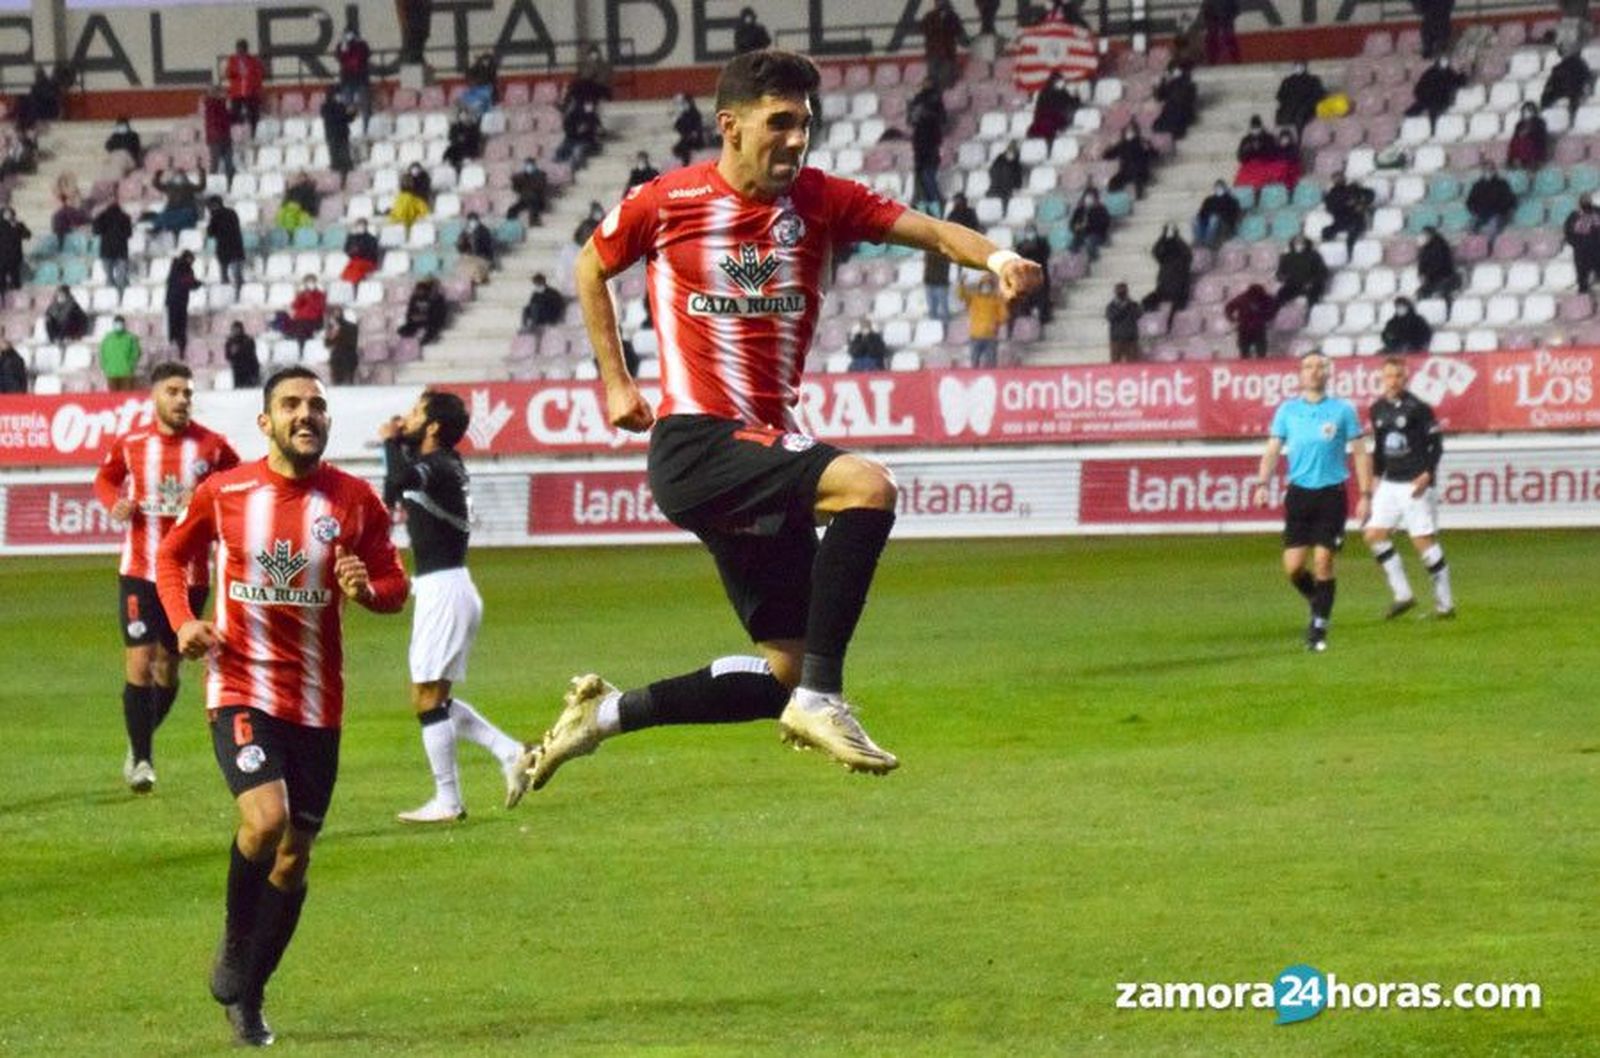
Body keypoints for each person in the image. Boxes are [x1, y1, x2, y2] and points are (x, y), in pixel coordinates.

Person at [514, 48, 1042, 791]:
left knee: (783, 672)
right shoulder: (665, 202)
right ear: (730, 126)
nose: (797, 139)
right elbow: (590, 265)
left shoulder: (823, 200)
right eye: (781, 122)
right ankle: (826, 700)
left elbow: (930, 230)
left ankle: (600, 717)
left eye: (806, 124)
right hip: (697, 441)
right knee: (867, 487)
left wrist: (999, 259)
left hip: (758, 445)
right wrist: (616, 382)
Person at [156, 365, 408, 1047]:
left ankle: (253, 992)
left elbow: (394, 584)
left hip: (318, 705)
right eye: (291, 404)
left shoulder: (354, 501)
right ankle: (236, 942)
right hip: (240, 685)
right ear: (265, 422)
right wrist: (182, 622)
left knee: (294, 858)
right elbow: (171, 558)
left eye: (317, 405)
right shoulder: (225, 491)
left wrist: (368, 590)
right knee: (264, 821)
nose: (307, 414)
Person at [377, 392, 530, 822]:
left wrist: (390, 442)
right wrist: (401, 441)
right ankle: (510, 752)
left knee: (426, 698)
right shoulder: (444, 464)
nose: (405, 416)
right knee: (432, 698)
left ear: (433, 427)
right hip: (444, 588)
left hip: (445, 590)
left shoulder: (438, 466)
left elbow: (395, 486)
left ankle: (448, 800)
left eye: (415, 412)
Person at [94, 361, 241, 792]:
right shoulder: (133, 443)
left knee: (169, 671)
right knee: (140, 663)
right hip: (140, 570)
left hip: (190, 576)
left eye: (187, 393)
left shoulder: (212, 447)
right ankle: (142, 759)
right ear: (154, 396)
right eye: (173, 391)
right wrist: (114, 502)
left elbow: (237, 485)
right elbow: (105, 479)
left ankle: (138, 738)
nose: (181, 399)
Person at [1252, 352, 1373, 652]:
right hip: (1299, 494)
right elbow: (1272, 449)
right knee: (1293, 568)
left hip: (1331, 494)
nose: (1314, 371)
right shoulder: (1288, 411)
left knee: (1323, 560)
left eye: (1320, 366)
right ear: (1300, 374)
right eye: (1308, 366)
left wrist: (1366, 494)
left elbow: (1359, 452)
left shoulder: (1342, 411)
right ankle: (1317, 600)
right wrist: (1262, 483)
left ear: (1328, 373)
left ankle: (1318, 629)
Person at [1365, 356, 1454, 619]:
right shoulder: (1377, 409)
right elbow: (1379, 449)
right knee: (1373, 535)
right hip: (1390, 483)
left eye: (1398, 376)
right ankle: (1403, 595)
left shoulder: (1419, 408)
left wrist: (1427, 474)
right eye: (1389, 376)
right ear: (1382, 378)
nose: (1393, 381)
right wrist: (1374, 483)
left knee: (1422, 542)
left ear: (1406, 379)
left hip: (1414, 482)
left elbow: (1436, 445)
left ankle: (1445, 605)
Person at [1141, 225, 1192, 326]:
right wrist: (1163, 235)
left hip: (1179, 293)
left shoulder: (1184, 260)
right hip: (1162, 291)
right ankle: (1150, 323)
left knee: (1174, 313)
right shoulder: (1164, 260)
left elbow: (1187, 252)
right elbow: (1155, 251)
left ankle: (1168, 325)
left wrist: (1178, 237)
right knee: (1146, 301)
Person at [1405, 56, 1466, 134]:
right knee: (1412, 111)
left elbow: (1459, 82)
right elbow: (1418, 88)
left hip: (1442, 100)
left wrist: (1462, 73)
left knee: (1433, 111)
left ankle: (1433, 131)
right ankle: (1408, 128)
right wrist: (1424, 96)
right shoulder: (1430, 73)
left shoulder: (1450, 73)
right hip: (1427, 99)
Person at [910, 80, 946, 211]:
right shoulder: (917, 100)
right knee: (920, 179)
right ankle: (924, 206)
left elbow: (942, 119)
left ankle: (935, 206)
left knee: (928, 177)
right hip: (920, 147)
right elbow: (910, 120)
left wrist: (929, 114)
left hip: (930, 146)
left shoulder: (936, 99)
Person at [959, 272, 1008, 367]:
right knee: (974, 364)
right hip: (975, 336)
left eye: (988, 285)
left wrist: (995, 323)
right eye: (984, 285)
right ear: (980, 286)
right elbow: (962, 295)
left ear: (992, 287)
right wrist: (961, 283)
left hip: (990, 336)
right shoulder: (973, 298)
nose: (986, 287)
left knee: (991, 364)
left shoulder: (997, 300)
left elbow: (1004, 315)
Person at [1319, 172, 1374, 253]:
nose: (1339, 180)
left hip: (1356, 219)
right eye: (1336, 178)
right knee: (1326, 232)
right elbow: (1330, 209)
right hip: (1340, 220)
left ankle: (1350, 253)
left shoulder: (1352, 188)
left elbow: (1370, 194)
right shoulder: (1331, 194)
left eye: (1341, 177)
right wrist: (1347, 204)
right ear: (1333, 180)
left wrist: (1362, 202)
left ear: (1344, 178)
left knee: (1354, 232)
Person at [1465, 162, 1516, 248]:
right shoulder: (1477, 185)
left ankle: (1487, 247)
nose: (1488, 171)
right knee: (1470, 226)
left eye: (1491, 169)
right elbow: (1470, 201)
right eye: (1486, 169)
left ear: (1495, 170)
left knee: (1492, 227)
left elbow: (1510, 200)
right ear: (1483, 171)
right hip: (1480, 213)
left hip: (1496, 214)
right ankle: (1472, 247)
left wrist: (1500, 211)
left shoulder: (1502, 184)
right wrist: (1475, 210)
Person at [922, 0, 969, 90]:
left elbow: (960, 33)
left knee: (946, 82)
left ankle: (946, 100)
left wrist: (967, 43)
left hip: (948, 54)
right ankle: (935, 100)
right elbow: (924, 30)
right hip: (933, 53)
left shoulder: (953, 17)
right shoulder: (929, 16)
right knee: (933, 81)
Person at [1274, 234, 1329, 309]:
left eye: (1301, 243)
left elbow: (1323, 272)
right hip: (1293, 284)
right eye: (1297, 243)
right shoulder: (1286, 257)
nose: (1299, 245)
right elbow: (1279, 274)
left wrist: (1312, 281)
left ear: (1306, 244)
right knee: (1280, 295)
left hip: (1311, 284)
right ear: (1293, 244)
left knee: (1314, 293)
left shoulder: (1314, 255)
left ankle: (1311, 313)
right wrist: (1283, 277)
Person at [224, 39, 266, 136]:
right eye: (239, 48)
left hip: (251, 92)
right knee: (235, 115)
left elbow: (260, 75)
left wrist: (256, 88)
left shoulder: (253, 61)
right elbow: (228, 73)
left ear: (246, 49)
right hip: (236, 92)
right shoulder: (232, 60)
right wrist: (239, 72)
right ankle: (236, 135)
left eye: (243, 48)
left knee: (254, 114)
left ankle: (254, 134)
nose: (240, 51)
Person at [206, 196, 246, 295]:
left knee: (229, 277)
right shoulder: (231, 213)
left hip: (227, 249)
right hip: (233, 248)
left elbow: (210, 233)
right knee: (234, 276)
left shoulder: (216, 216)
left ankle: (234, 295)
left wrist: (213, 218)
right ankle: (235, 294)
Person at [1225, 282, 1276, 358]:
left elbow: (1229, 307)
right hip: (1252, 328)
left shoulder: (1243, 297)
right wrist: (1268, 317)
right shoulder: (1264, 298)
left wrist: (1231, 318)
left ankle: (1249, 366)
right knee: (1257, 352)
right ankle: (1259, 366)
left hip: (1249, 327)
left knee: (1248, 352)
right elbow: (1229, 307)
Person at [146, 168, 205, 235]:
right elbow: (157, 185)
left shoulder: (189, 186)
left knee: (185, 216)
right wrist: (157, 176)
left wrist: (202, 174)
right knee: (161, 217)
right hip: (172, 210)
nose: (179, 177)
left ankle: (167, 227)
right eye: (177, 175)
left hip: (186, 210)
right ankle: (157, 229)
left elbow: (201, 187)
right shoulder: (169, 185)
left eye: (181, 175)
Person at [1104, 123, 1155, 198]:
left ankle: (1139, 194)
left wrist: (1149, 148)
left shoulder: (1142, 142)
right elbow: (1109, 155)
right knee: (1113, 182)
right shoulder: (1121, 145)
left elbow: (1153, 155)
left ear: (1135, 132)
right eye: (1127, 131)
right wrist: (1108, 148)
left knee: (1137, 175)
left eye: (1131, 131)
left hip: (1140, 170)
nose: (1129, 133)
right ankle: (1118, 199)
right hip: (1125, 171)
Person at [333, 27, 373, 126]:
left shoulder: (362, 44)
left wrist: (352, 50)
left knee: (364, 103)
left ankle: (366, 125)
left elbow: (363, 57)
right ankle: (347, 125)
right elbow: (339, 57)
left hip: (361, 78)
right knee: (346, 104)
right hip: (347, 79)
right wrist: (344, 48)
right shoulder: (341, 45)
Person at [1014, 222, 1052, 322]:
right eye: (1028, 230)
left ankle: (1043, 318)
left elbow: (1045, 255)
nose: (1030, 232)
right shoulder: (1021, 245)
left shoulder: (1042, 242)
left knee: (1041, 298)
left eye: (1032, 230)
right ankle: (1027, 321)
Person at [166, 250, 201, 358]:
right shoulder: (181, 268)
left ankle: (179, 349)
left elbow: (188, 283)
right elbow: (187, 282)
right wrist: (197, 283)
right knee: (178, 326)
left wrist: (195, 283)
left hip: (178, 302)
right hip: (177, 302)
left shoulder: (177, 267)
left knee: (177, 326)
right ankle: (177, 348)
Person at [1027, 71, 1080, 143]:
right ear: (1055, 81)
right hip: (1048, 121)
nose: (1063, 83)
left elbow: (1073, 103)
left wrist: (1075, 95)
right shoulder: (1053, 92)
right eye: (1061, 81)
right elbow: (1073, 103)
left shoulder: (1049, 92)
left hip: (1048, 121)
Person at [1541, 46, 1594, 117]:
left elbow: (1587, 79)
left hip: (1576, 92)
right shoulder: (1557, 68)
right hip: (1563, 92)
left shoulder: (1580, 64)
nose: (1566, 53)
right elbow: (1552, 84)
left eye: (1567, 51)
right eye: (1564, 51)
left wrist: (1585, 91)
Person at [1416, 225, 1462, 306]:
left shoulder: (1441, 246)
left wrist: (1427, 274)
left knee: (1440, 293)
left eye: (1424, 235)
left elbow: (1441, 265)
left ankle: (1447, 310)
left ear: (1430, 235)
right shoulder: (1424, 248)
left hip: (1446, 277)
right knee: (1420, 293)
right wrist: (1421, 274)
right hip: (1432, 280)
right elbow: (1422, 264)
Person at [94, 199, 133, 292]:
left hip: (106, 251)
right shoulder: (125, 217)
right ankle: (122, 297)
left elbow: (96, 231)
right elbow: (129, 234)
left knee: (109, 278)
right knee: (121, 277)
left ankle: (112, 298)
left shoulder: (102, 217)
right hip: (121, 251)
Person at [1275, 61, 1325, 132]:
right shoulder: (1288, 81)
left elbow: (1318, 95)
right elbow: (1280, 96)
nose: (1298, 68)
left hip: (1307, 110)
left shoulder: (1313, 80)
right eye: (1297, 66)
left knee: (1300, 116)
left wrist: (1306, 105)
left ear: (1305, 67)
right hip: (1291, 110)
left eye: (1301, 66)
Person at [1564, 195, 1600, 294]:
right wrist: (1577, 245)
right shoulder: (1574, 216)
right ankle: (1584, 298)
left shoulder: (1597, 212)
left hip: (1597, 250)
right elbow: (1568, 233)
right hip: (1581, 253)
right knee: (1582, 280)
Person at [273, 276, 327, 343]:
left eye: (312, 282)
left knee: (299, 328)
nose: (310, 284)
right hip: (300, 319)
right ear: (305, 284)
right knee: (280, 314)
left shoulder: (320, 294)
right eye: (308, 282)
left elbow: (320, 308)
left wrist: (309, 297)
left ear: (315, 283)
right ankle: (291, 335)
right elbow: (295, 305)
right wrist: (298, 295)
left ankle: (296, 339)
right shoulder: (303, 293)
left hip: (313, 320)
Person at [1152, 63, 1198, 140]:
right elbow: (1159, 97)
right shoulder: (1168, 83)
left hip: (1182, 110)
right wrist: (1163, 82)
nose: (1174, 73)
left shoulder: (1188, 84)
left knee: (1175, 113)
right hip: (1170, 109)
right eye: (1172, 71)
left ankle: (1174, 131)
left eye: (1176, 71)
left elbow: (1187, 100)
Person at [320, 91, 356, 188]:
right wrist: (346, 113)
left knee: (345, 157)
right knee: (335, 157)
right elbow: (339, 118)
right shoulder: (325, 107)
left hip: (342, 135)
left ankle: (345, 177)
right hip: (333, 135)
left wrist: (353, 113)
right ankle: (338, 178)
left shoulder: (341, 106)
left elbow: (348, 119)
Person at [1193, 180, 1241, 248]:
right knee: (1194, 219)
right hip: (1208, 221)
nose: (1218, 189)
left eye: (1220, 187)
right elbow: (1202, 212)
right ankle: (1199, 240)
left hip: (1224, 224)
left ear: (1225, 188)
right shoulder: (1209, 200)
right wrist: (1200, 216)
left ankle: (1208, 241)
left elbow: (1234, 215)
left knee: (1214, 218)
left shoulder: (1231, 200)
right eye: (1216, 187)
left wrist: (1219, 216)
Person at [203, 85, 235, 189]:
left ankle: (230, 185)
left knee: (226, 164)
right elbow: (222, 120)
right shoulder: (213, 105)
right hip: (217, 138)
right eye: (223, 93)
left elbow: (227, 120)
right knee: (216, 164)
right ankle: (214, 185)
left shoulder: (218, 105)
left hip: (222, 137)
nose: (226, 95)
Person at [397, 278, 448, 343]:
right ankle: (410, 336)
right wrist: (412, 318)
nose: (418, 292)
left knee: (430, 328)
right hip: (418, 320)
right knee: (403, 330)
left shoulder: (438, 299)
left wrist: (424, 317)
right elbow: (410, 312)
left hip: (432, 322)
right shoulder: (415, 298)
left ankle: (428, 337)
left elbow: (437, 316)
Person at [555, 98, 602, 167]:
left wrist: (587, 127)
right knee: (562, 150)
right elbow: (567, 128)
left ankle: (571, 165)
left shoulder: (592, 116)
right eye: (587, 105)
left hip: (587, 141)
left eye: (590, 105)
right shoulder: (572, 115)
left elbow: (597, 128)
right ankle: (557, 165)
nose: (589, 107)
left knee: (577, 151)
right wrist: (576, 130)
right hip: (572, 139)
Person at [99, 316, 141, 390]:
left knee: (125, 398)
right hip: (111, 373)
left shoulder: (130, 338)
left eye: (120, 324)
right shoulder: (108, 338)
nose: (119, 325)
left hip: (126, 373)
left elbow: (136, 353)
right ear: (113, 324)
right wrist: (105, 367)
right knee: (112, 398)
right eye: (117, 324)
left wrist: (130, 366)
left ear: (124, 324)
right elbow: (102, 353)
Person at [1067, 187, 1110, 259]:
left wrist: (1088, 225)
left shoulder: (1101, 209)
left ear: (1096, 198)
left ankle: (1093, 259)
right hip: (1081, 234)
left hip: (1097, 235)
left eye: (1091, 197)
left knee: (1089, 241)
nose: (1088, 199)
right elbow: (1072, 223)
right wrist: (1076, 227)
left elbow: (1104, 225)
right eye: (1087, 197)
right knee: (1072, 245)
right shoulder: (1080, 210)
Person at [1106, 282, 1143, 363]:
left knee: (1133, 363)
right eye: (1119, 291)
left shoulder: (1133, 305)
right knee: (1115, 363)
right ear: (1115, 292)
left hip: (1131, 338)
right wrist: (1122, 307)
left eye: (1123, 291)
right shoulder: (1111, 306)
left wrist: (1128, 305)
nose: (1121, 293)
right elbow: (1110, 317)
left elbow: (1139, 314)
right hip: (1116, 338)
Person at [455, 212, 496, 285]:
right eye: (470, 221)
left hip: (483, 257)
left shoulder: (484, 231)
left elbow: (486, 248)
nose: (472, 223)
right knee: (460, 264)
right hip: (469, 257)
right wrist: (464, 237)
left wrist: (474, 237)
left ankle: (477, 279)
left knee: (474, 265)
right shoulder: (465, 231)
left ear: (478, 221)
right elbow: (460, 248)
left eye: (474, 220)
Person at [1506, 102, 1549, 170]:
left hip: (1535, 145)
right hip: (1520, 146)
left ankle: (1529, 162)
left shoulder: (1540, 122)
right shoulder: (1519, 124)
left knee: (1526, 141)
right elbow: (1515, 136)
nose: (1527, 113)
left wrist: (1529, 132)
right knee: (1515, 142)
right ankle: (1514, 161)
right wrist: (1521, 135)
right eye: (1525, 111)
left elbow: (1541, 137)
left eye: (1529, 111)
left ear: (1534, 112)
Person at [389, 164, 432, 230]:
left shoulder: (398, 199)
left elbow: (394, 217)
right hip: (412, 228)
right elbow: (424, 214)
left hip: (404, 228)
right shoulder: (416, 200)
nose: (407, 183)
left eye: (408, 181)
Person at [441, 107, 482, 174]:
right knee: (451, 151)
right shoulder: (455, 127)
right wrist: (458, 139)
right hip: (457, 149)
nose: (463, 117)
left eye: (465, 115)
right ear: (459, 116)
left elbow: (475, 139)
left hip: (469, 149)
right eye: (461, 115)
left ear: (468, 116)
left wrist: (464, 138)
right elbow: (451, 138)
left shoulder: (473, 127)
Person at [507, 157, 549, 224]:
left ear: (534, 165)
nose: (528, 167)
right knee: (512, 210)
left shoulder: (541, 174)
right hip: (525, 199)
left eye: (530, 165)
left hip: (537, 199)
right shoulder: (521, 175)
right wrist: (515, 181)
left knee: (533, 205)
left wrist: (527, 179)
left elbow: (540, 188)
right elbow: (516, 189)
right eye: (527, 165)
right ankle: (511, 224)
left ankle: (534, 221)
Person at [325, 309, 359, 385]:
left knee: (343, 357)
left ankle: (345, 380)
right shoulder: (333, 327)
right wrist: (333, 334)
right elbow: (327, 343)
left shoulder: (350, 326)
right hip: (339, 353)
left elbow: (353, 341)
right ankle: (339, 381)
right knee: (336, 357)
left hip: (348, 351)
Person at [341, 219, 381, 284]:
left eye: (362, 226)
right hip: (355, 260)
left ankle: (354, 283)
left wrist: (360, 250)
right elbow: (346, 249)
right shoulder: (352, 237)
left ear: (366, 227)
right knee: (348, 268)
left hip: (368, 261)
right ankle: (348, 284)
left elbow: (372, 253)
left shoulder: (371, 238)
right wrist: (352, 251)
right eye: (358, 226)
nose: (360, 227)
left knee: (357, 267)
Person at [1201, 0, 1241, 64]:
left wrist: (1229, 17)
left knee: (1229, 38)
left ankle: (1236, 58)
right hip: (1214, 21)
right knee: (1213, 39)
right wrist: (1209, 20)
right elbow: (1205, 10)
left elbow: (1236, 9)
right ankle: (1212, 59)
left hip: (1226, 20)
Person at [672, 94, 707, 166]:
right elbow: (677, 127)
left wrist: (694, 133)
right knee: (679, 148)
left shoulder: (695, 113)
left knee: (684, 147)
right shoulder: (684, 114)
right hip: (687, 138)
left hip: (695, 139)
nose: (683, 105)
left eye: (684, 103)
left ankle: (685, 164)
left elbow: (698, 127)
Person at [988, 140, 1024, 209]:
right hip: (995, 188)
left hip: (1007, 191)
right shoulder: (999, 160)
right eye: (1009, 150)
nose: (1010, 153)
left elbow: (1018, 181)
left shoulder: (1016, 165)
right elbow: (992, 171)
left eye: (1013, 151)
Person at [0, 206, 29, 292]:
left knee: (15, 277)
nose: (9, 215)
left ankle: (16, 292)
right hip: (2, 255)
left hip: (15, 255)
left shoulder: (19, 224)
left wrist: (17, 227)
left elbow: (27, 235)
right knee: (1, 277)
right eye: (6, 213)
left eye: (10, 213)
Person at [225, 321, 259, 389]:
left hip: (250, 369)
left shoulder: (248, 340)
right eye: (234, 329)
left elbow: (251, 354)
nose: (235, 331)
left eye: (237, 329)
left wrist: (240, 349)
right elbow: (228, 356)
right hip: (237, 370)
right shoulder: (230, 342)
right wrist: (233, 352)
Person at [923, 249, 951, 322]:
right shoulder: (928, 251)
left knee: (943, 308)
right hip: (930, 281)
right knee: (932, 309)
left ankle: (945, 326)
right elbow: (926, 263)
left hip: (941, 282)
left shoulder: (946, 251)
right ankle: (934, 326)